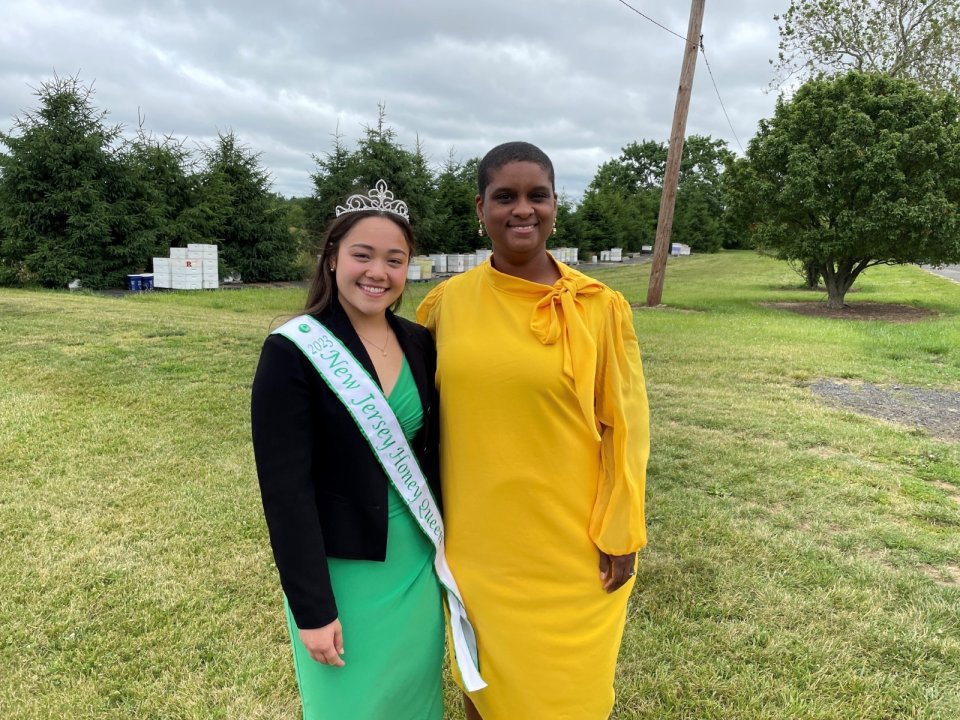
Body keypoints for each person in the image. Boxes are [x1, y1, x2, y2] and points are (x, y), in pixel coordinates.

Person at [417, 142, 650, 719]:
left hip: (574, 548)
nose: (523, 209)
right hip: (481, 548)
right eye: (505, 196)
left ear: (554, 205)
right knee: (486, 688)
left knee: (572, 697)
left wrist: (621, 529)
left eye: (537, 196)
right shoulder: (445, 304)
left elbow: (626, 425)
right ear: (481, 208)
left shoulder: (599, 306)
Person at [250, 181, 446, 719]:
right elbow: (285, 493)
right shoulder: (292, 350)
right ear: (333, 257)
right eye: (362, 255)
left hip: (415, 557)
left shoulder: (419, 342)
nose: (377, 272)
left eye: (394, 259)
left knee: (414, 701)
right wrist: (312, 609)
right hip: (343, 567)